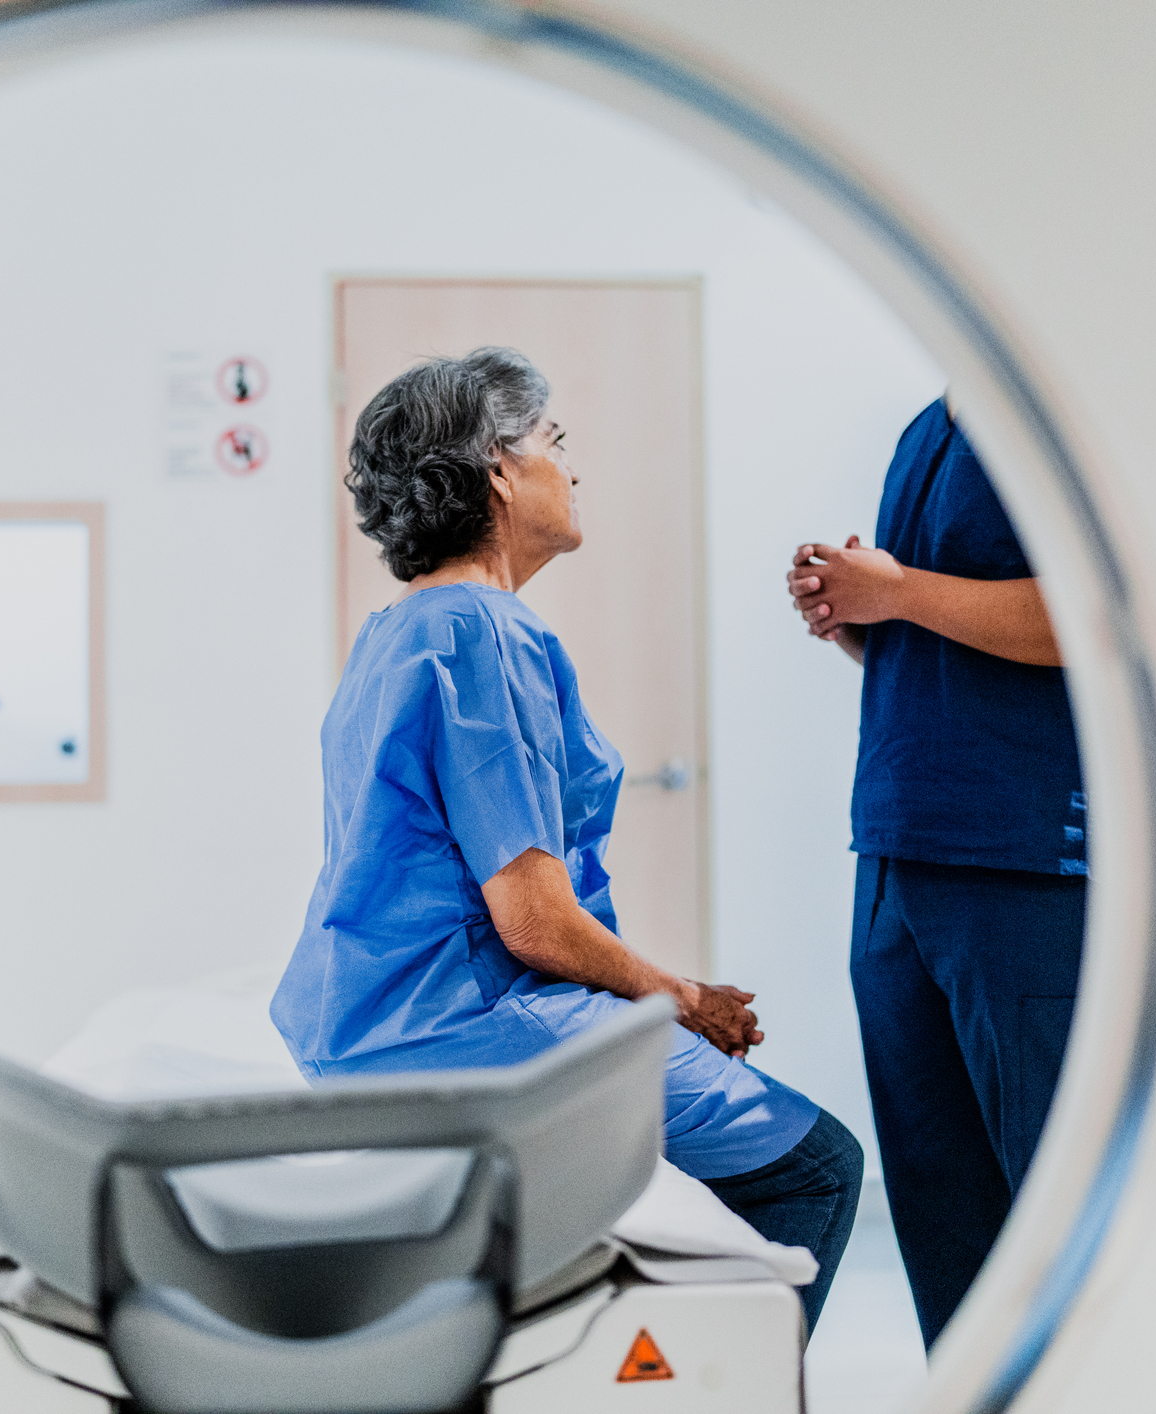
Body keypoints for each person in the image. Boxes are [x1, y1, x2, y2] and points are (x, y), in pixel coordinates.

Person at [274, 347, 864, 1334]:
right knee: (816, 1167)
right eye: (552, 440)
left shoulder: (394, 633)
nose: (571, 466)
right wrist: (684, 999)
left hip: (361, 1032)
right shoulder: (479, 631)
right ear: (497, 469)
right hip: (465, 1031)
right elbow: (533, 921)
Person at [785, 394, 1086, 1349]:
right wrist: (855, 617)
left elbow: (1087, 618)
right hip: (894, 855)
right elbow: (939, 642)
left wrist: (902, 591)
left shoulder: (1062, 404)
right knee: (939, 1207)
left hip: (1019, 865)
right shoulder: (929, 427)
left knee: (1051, 1211)